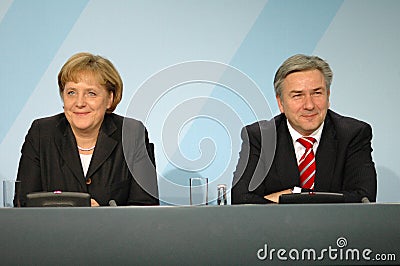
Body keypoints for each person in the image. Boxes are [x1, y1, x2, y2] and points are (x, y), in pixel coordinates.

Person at [15, 52, 159, 206]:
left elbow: (145, 207)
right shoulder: (41, 133)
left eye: (91, 93)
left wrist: (102, 215)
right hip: (53, 230)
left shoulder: (131, 134)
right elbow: (23, 204)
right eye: (71, 92)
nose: (79, 102)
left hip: (113, 230)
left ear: (110, 98)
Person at [231, 54, 377, 204]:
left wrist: (292, 195)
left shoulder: (353, 134)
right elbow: (241, 199)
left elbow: (363, 198)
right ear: (280, 103)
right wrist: (310, 195)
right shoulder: (260, 137)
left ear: (328, 96)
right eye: (298, 95)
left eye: (317, 93)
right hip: (278, 227)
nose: (309, 105)